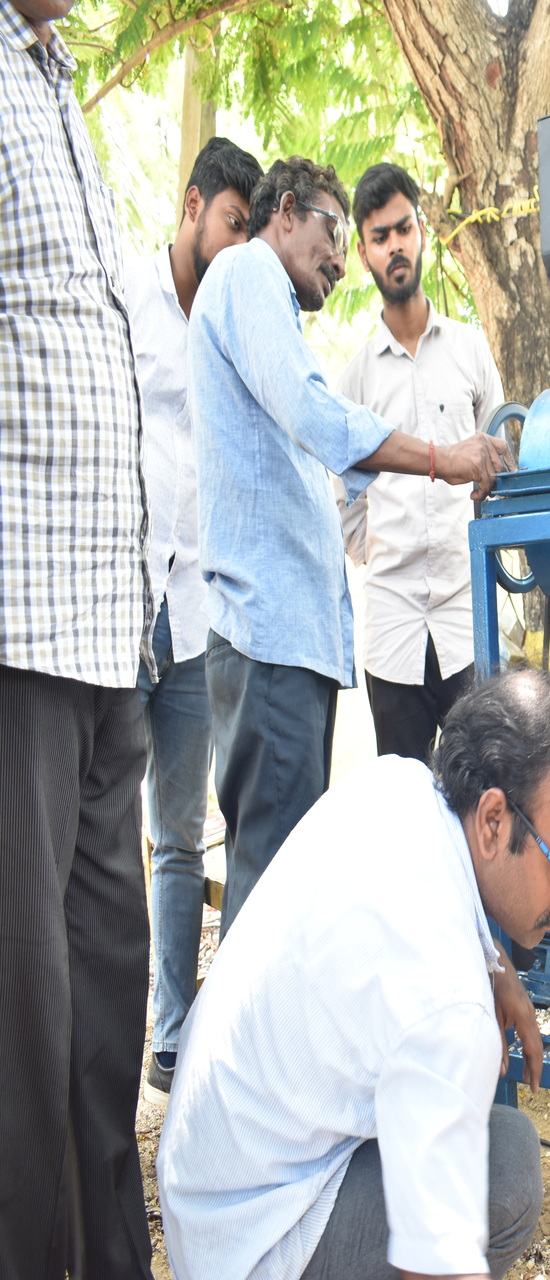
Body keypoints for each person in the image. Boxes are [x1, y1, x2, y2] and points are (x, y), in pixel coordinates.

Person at [157, 667, 550, 1279]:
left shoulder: (399, 784)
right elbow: (438, 1269)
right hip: (257, 1247)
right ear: (494, 821)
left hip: (209, 1192)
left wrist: (498, 965)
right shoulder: (451, 1005)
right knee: (506, 1167)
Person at [189, 155, 513, 937]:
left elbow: (326, 465)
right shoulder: (245, 274)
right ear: (288, 211)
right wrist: (440, 458)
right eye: (339, 236)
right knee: (272, 887)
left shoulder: (286, 321)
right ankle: (243, 1063)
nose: (339, 260)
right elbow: (322, 422)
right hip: (272, 636)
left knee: (284, 874)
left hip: (303, 641)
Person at [0, 0, 155, 1270]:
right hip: (18, 624)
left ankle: (111, 1257)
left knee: (109, 988)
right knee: (23, 1006)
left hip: (110, 630)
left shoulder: (51, 79)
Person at [125, 135, 264, 1107]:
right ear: (191, 206)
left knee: (178, 835)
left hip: (189, 618)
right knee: (78, 835)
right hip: (106, 608)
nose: (237, 243)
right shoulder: (126, 297)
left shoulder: (229, 321)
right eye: (230, 222)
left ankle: (170, 1037)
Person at [336, 163, 505, 764]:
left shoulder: (469, 349)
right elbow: (347, 509)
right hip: (393, 632)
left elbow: (498, 466)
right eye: (380, 237)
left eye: (403, 229)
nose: (395, 246)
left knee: (484, 796)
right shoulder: (355, 378)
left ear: (422, 232)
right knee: (404, 809)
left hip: (467, 619)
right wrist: (386, 556)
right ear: (363, 253)